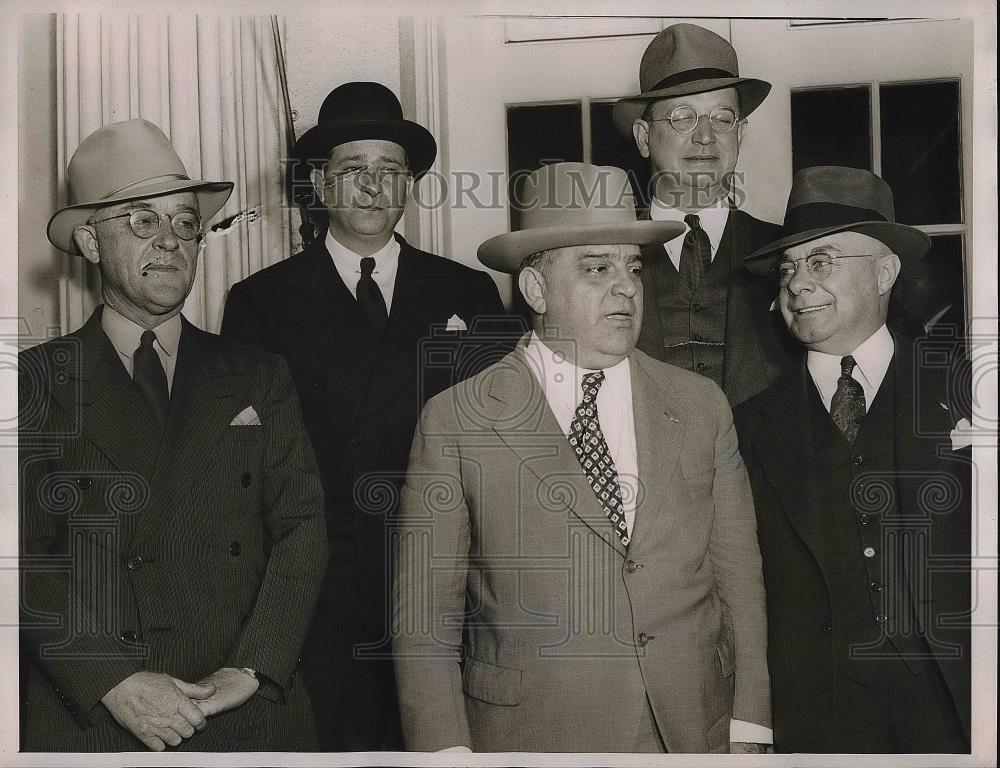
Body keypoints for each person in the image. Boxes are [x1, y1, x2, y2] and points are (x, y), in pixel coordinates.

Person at [393, 162, 771, 753]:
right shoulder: (457, 421)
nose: (625, 287)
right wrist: (445, 755)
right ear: (537, 289)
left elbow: (739, 582)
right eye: (597, 268)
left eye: (633, 268)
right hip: (533, 736)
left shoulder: (701, 406)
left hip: (692, 729)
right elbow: (424, 625)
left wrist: (750, 723)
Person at [18, 118, 328, 752]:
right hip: (97, 720)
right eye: (141, 221)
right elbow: (16, 555)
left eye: (186, 223)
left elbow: (302, 528)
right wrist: (114, 681)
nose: (170, 242)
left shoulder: (257, 376)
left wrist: (251, 670)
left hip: (243, 716)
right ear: (90, 240)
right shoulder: (35, 382)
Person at [220, 81, 509, 751]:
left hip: (446, 590)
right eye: (355, 171)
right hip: (323, 599)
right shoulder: (262, 301)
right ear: (319, 184)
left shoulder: (467, 291)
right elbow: (246, 475)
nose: (374, 188)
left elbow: (501, 454)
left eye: (391, 171)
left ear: (408, 184)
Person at [735, 166, 971, 753]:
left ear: (886, 271)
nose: (796, 284)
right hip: (815, 718)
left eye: (823, 261)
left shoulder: (968, 390)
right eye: (788, 268)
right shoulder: (746, 425)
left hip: (959, 707)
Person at [613, 23, 797, 406]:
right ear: (644, 138)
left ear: (741, 134)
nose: (705, 136)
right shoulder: (608, 254)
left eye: (722, 118)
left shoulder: (789, 253)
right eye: (683, 117)